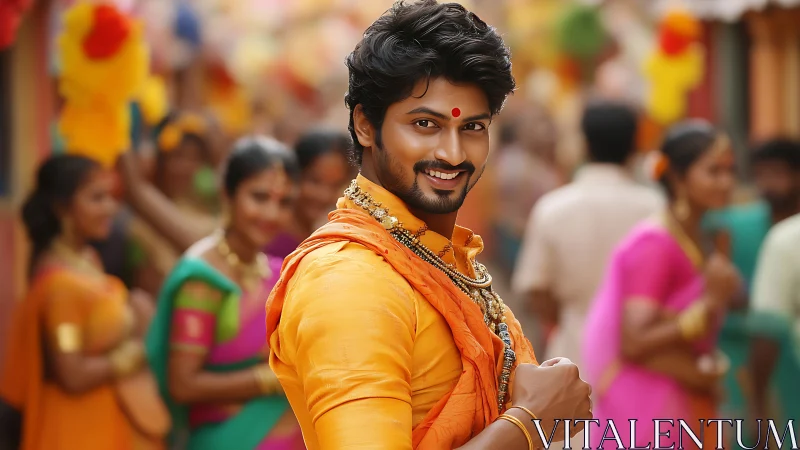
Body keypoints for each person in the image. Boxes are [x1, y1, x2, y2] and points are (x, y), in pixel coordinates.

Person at [265, 2, 592, 449]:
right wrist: (530, 420)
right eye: (425, 124)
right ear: (365, 124)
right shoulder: (349, 281)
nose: (453, 154)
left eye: (472, 127)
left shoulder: (438, 253)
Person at [581, 120, 741, 449]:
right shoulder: (655, 245)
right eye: (714, 172)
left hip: (684, 397)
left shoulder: (703, 236)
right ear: (677, 178)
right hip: (648, 407)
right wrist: (710, 304)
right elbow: (635, 341)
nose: (727, 182)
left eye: (730, 171)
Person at [145, 136, 304, 450]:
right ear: (226, 194)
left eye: (284, 202)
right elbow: (183, 384)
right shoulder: (203, 279)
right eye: (259, 198)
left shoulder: (275, 271)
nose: (272, 214)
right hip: (224, 437)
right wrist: (271, 379)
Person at [1, 155, 166, 450]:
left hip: (109, 416)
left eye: (111, 197)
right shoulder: (60, 286)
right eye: (97, 198)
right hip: (77, 430)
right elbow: (73, 374)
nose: (111, 208)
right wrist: (141, 349)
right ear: (62, 207)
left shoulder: (86, 259)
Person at [512, 100, 663, 365]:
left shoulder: (553, 208)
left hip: (574, 354)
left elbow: (535, 289)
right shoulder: (657, 209)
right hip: (646, 363)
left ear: (584, 145)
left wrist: (568, 317)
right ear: (633, 147)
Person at [703, 138, 800, 430]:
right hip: (740, 348)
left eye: (777, 174)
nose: (767, 183)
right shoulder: (735, 226)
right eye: (761, 175)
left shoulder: (786, 239)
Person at [265, 128, 352, 259]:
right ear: (294, 177)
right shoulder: (267, 233)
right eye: (315, 181)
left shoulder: (343, 239)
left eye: (336, 185)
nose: (324, 195)